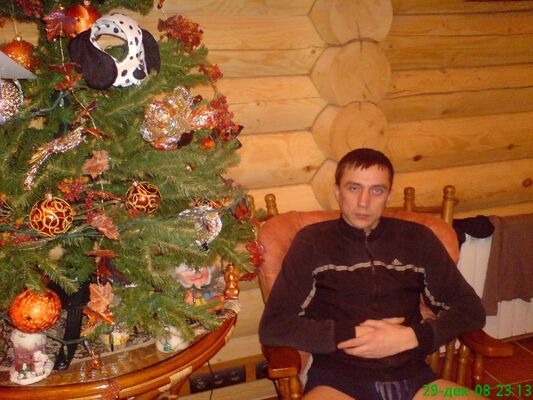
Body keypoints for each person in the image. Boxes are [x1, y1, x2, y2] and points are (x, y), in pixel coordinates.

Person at [259, 148, 486, 400]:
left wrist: (412, 337)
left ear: (388, 196)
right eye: (354, 188)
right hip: (338, 380)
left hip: (414, 377)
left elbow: (471, 310)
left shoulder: (418, 239)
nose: (364, 202)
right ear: (337, 192)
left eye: (377, 190)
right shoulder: (312, 242)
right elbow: (274, 325)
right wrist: (352, 334)